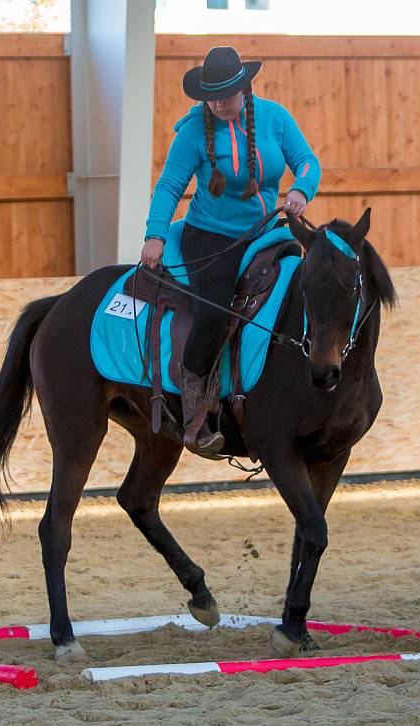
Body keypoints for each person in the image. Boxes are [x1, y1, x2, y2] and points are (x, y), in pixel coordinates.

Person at [141, 46, 321, 454]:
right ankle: (194, 411)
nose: (220, 103)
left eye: (227, 94)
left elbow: (308, 161)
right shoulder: (192, 131)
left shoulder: (275, 118)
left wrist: (299, 190)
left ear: (245, 87)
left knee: (302, 294)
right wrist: (154, 234)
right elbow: (170, 186)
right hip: (211, 236)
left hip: (267, 233)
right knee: (214, 311)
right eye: (212, 96)